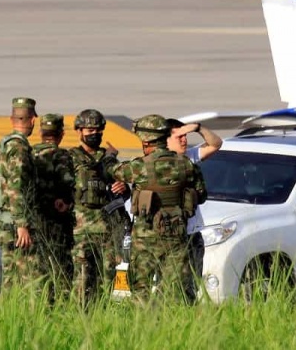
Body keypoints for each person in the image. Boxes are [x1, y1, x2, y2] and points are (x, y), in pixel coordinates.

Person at [113, 114, 207, 303]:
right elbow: (201, 195)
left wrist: (109, 157)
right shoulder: (186, 164)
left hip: (145, 238)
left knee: (141, 289)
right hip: (176, 237)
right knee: (175, 290)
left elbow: (115, 171)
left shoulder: (140, 166)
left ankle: (144, 327)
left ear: (146, 141)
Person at [0, 97, 44, 290]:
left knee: (10, 280)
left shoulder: (2, 146)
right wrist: (21, 224)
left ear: (12, 120)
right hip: (16, 227)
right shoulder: (19, 148)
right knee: (31, 281)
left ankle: (7, 315)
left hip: (2, 222)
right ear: (33, 120)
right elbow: (16, 185)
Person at [66, 109, 129, 305]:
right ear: (79, 131)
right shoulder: (71, 158)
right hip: (80, 230)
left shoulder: (108, 159)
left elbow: (123, 192)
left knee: (108, 280)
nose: (94, 134)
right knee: (82, 281)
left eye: (98, 130)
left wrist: (123, 187)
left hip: (107, 231)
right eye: (89, 129)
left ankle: (104, 318)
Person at [166, 118, 222, 297]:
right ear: (165, 140)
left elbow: (215, 143)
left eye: (185, 136)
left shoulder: (190, 156)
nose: (184, 140)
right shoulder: (156, 165)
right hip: (172, 235)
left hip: (193, 233)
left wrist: (198, 128)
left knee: (192, 285)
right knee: (172, 285)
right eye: (179, 137)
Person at [31, 113, 76, 296]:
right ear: (61, 134)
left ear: (41, 132)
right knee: (60, 268)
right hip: (56, 220)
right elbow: (68, 182)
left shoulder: (29, 153)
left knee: (39, 267)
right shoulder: (61, 155)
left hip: (34, 219)